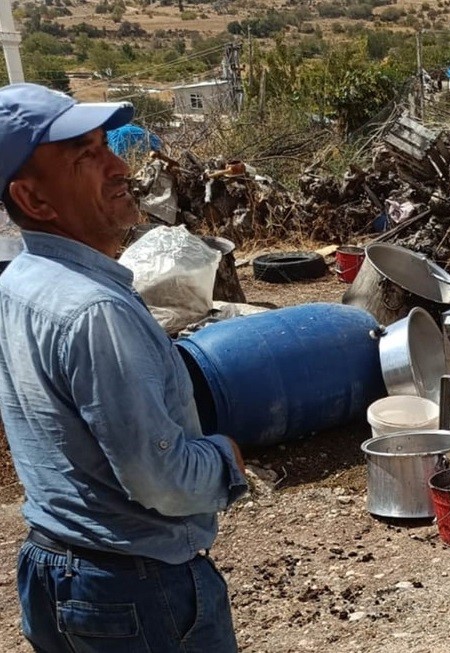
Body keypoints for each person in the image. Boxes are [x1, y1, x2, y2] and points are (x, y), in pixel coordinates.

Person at [0, 83, 247, 652]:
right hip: (133, 593)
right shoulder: (95, 311)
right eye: (85, 155)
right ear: (34, 200)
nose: (119, 166)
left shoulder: (19, 281)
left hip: (54, 571)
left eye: (106, 146)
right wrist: (224, 460)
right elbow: (159, 480)